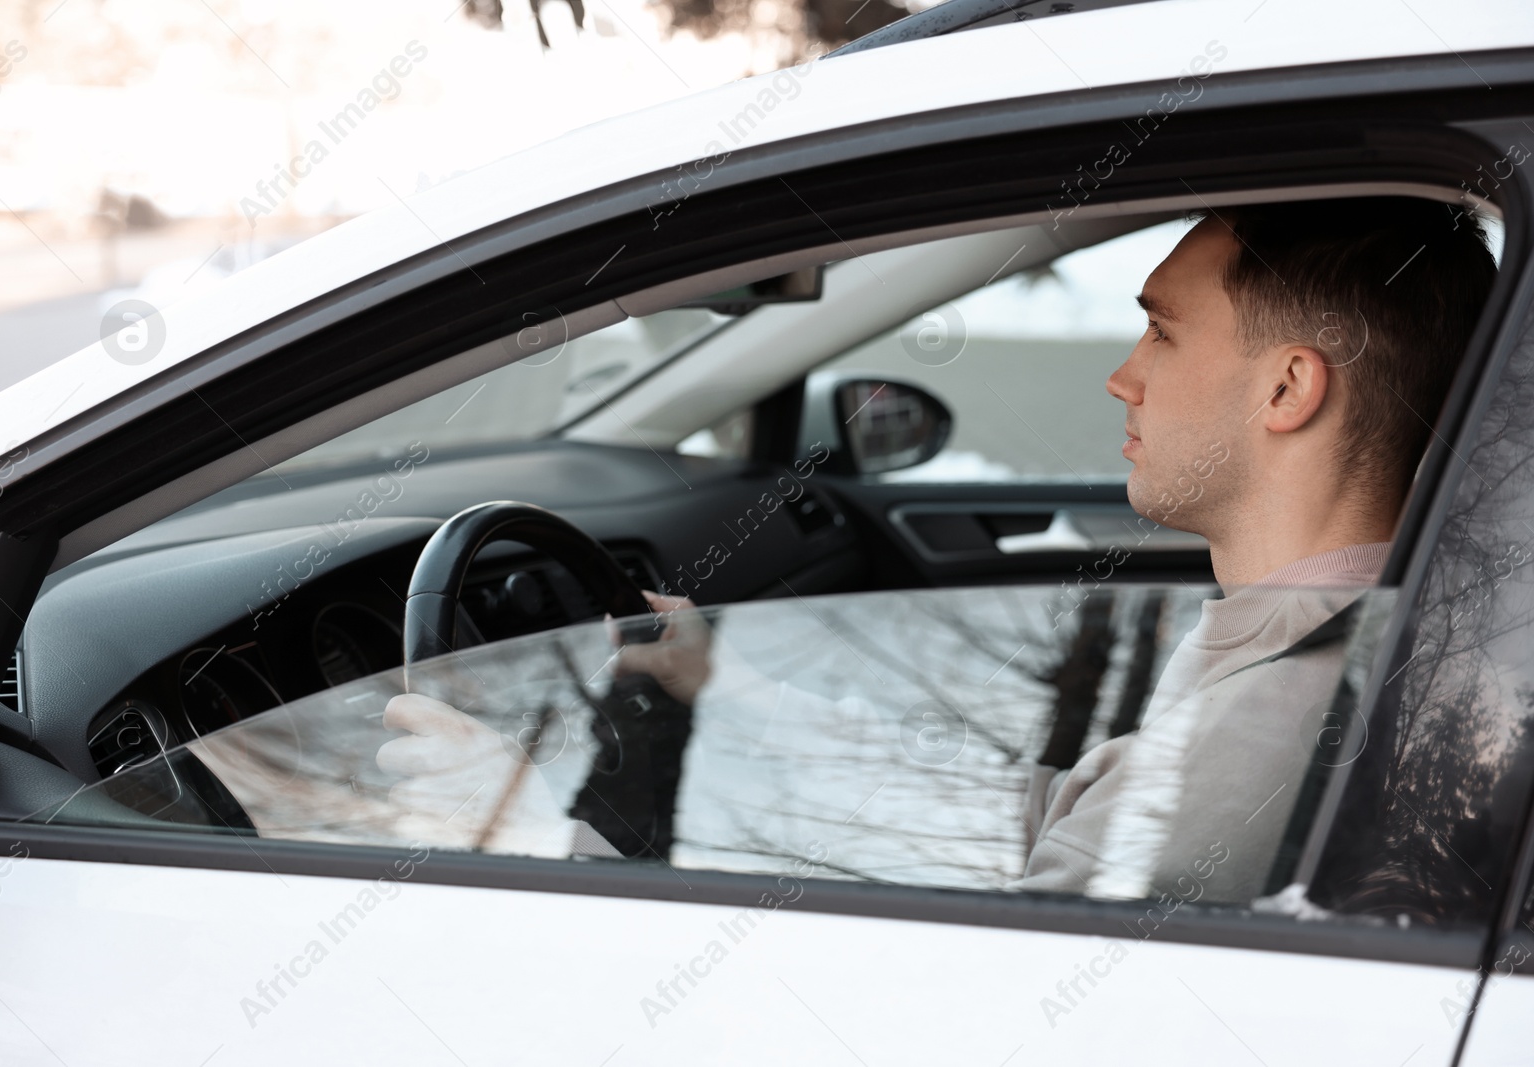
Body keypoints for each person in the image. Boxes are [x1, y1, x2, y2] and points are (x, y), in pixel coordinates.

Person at [378, 198, 1498, 899]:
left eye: (1162, 328)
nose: (1123, 373)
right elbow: (1053, 827)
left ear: (1289, 386)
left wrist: (521, 838)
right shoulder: (1326, 640)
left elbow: (973, 995)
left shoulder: (1283, 718)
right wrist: (735, 695)